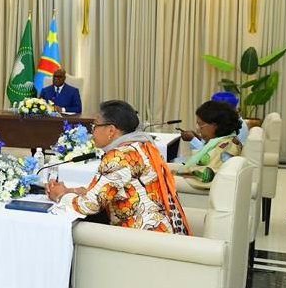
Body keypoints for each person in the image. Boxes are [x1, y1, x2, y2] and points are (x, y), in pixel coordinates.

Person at [47, 100, 191, 234]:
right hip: (163, 228)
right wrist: (71, 190)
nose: (92, 132)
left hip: (142, 237)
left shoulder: (119, 157)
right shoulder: (142, 146)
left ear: (111, 130)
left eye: (95, 126)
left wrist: (60, 196)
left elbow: (90, 206)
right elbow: (106, 192)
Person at [170, 100, 243, 187]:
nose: (198, 129)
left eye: (201, 125)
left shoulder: (228, 147)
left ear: (215, 125)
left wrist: (171, 176)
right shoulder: (226, 140)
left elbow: (206, 177)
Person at [179, 91, 248, 152]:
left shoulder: (236, 130)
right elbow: (213, 144)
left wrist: (193, 139)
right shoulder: (229, 127)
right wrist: (199, 138)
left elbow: (208, 154)